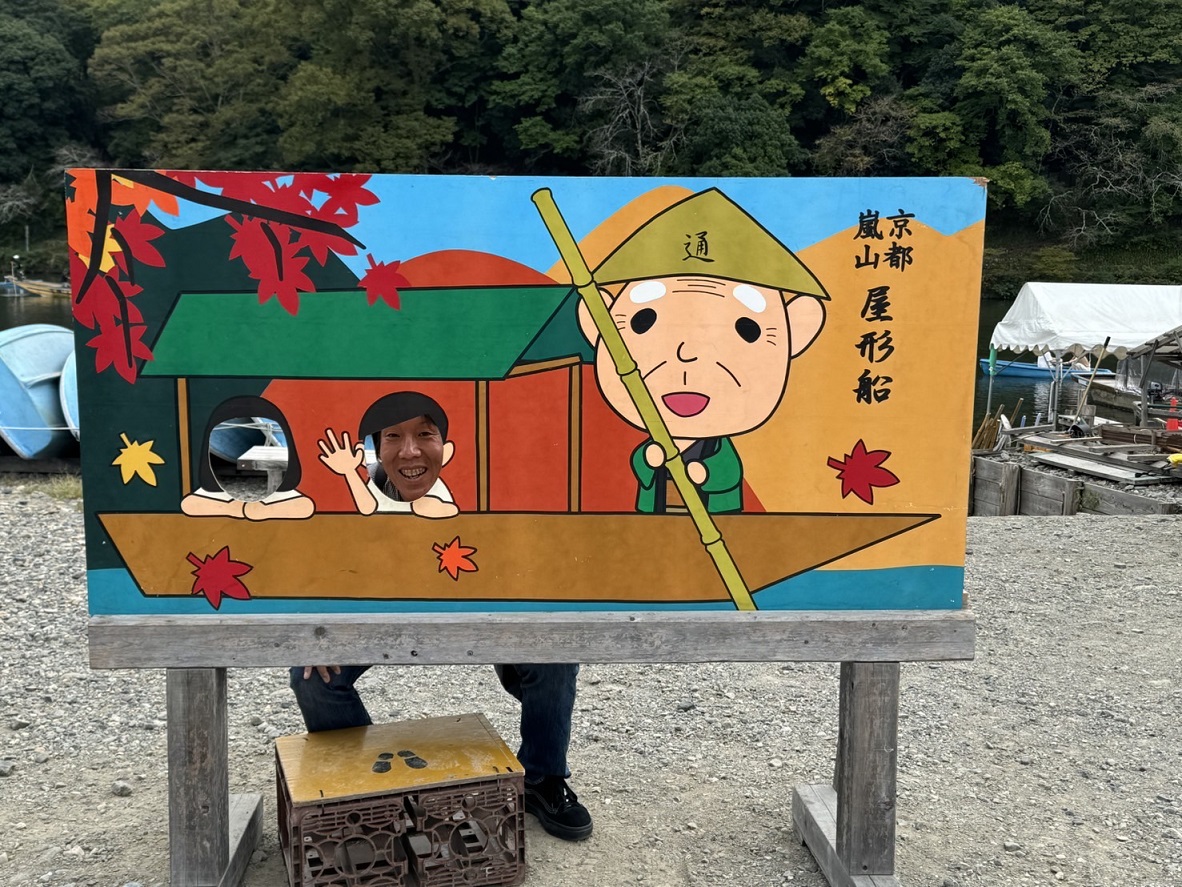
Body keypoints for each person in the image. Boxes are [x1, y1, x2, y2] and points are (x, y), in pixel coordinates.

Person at [293, 391, 592, 841]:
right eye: (393, 437)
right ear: (376, 449)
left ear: (449, 448)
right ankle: (366, 789)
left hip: (478, 604)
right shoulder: (361, 493)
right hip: (389, 609)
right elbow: (329, 559)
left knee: (554, 655)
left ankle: (542, 777)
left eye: (425, 434)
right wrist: (322, 629)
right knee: (313, 675)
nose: (410, 451)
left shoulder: (476, 490)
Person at [578, 188, 830, 513]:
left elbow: (727, 473)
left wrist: (706, 474)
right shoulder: (658, 437)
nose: (687, 353)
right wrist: (650, 458)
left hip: (721, 524)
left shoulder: (716, 448)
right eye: (643, 320)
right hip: (652, 524)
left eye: (747, 328)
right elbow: (642, 466)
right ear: (598, 325)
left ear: (796, 331)